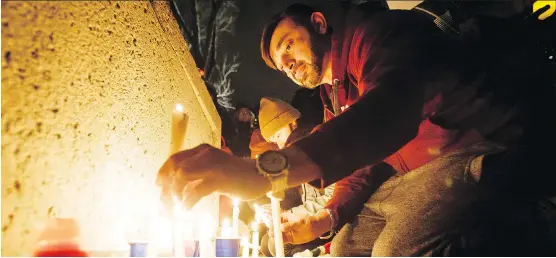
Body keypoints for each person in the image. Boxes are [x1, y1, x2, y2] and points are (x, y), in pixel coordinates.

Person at [157, 1, 556, 256]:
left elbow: (389, 109)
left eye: (289, 46)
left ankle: (529, 230)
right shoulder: (337, 93)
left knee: (393, 251)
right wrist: (323, 219)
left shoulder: (380, 36)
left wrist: (263, 172)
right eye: (282, 64)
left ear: (318, 23)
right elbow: (362, 164)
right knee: (346, 246)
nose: (289, 64)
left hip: (480, 151)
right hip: (422, 174)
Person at [254, 97, 334, 256]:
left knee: (278, 245)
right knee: (267, 242)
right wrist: (278, 211)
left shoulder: (315, 145)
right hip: (313, 217)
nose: (279, 144)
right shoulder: (296, 150)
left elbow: (332, 196)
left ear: (292, 123)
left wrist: (290, 215)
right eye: (273, 140)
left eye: (278, 135)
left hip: (330, 222)